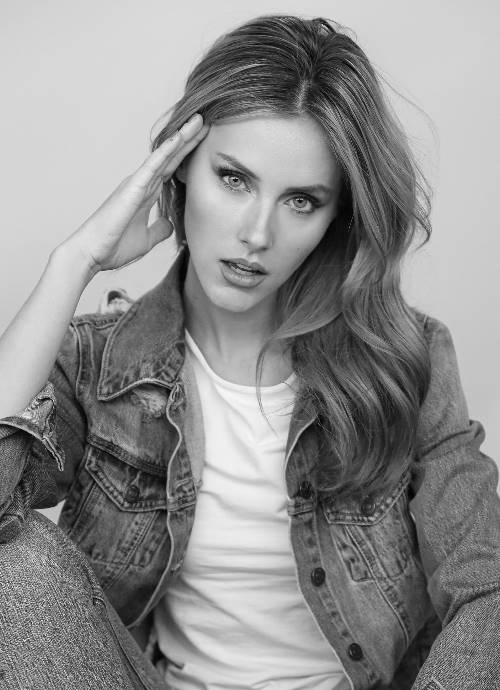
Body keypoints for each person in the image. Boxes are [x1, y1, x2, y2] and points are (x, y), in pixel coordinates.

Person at [0, 12, 498, 690]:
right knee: (16, 564)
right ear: (179, 169)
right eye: (234, 178)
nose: (257, 234)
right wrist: (75, 259)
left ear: (335, 218)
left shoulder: (408, 361)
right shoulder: (99, 364)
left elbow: (489, 585)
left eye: (301, 201)